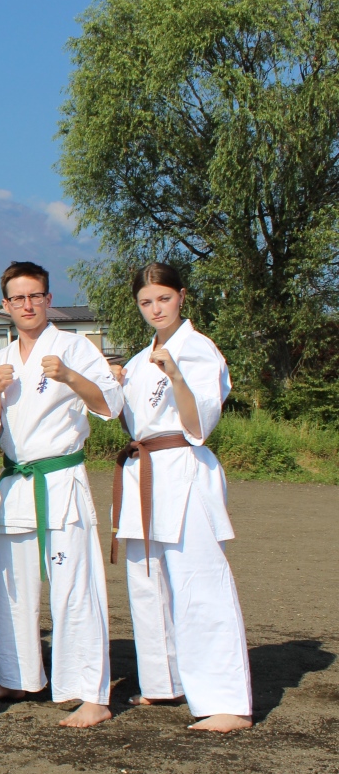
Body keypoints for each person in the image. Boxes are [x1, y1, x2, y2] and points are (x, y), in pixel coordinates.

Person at [112, 262, 251, 733]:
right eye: (146, 302)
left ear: (182, 297)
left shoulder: (198, 350)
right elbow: (129, 421)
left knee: (198, 582)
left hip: (183, 466)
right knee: (147, 581)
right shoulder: (137, 360)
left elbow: (199, 425)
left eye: (164, 299)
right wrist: (116, 383)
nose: (156, 309)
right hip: (143, 469)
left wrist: (174, 375)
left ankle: (226, 701)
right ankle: (163, 681)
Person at [0, 262, 123, 728]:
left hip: (60, 481)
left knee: (74, 587)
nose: (27, 305)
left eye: (35, 296)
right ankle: (18, 676)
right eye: (18, 298)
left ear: (48, 299)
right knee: (14, 589)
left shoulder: (74, 347)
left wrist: (69, 377)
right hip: (16, 484)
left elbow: (109, 405)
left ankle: (91, 693)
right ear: (5, 305)